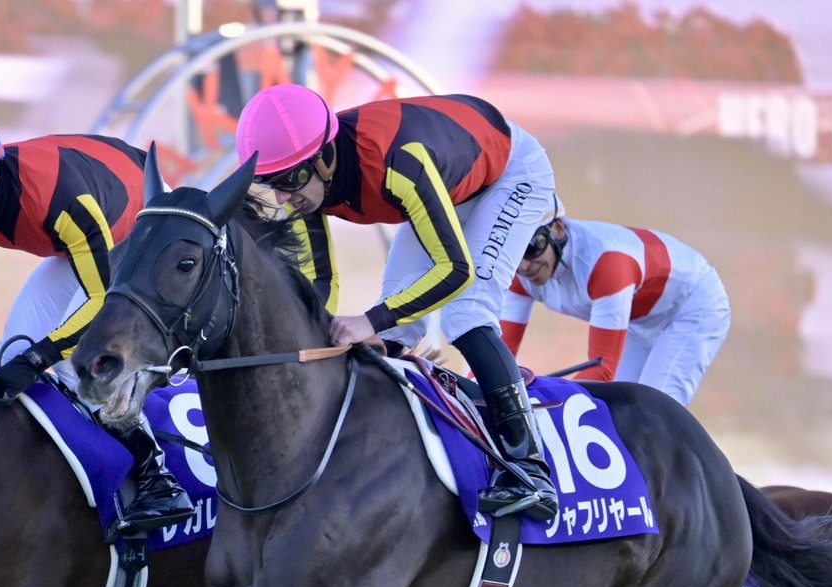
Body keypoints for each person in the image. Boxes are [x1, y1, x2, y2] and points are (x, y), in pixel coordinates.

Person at [234, 84, 559, 521]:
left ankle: (530, 470)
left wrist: (369, 318)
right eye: (268, 183)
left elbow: (456, 271)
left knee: (467, 311)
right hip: (450, 177)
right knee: (392, 330)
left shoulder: (396, 164)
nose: (281, 197)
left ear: (326, 156)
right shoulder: (308, 177)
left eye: (289, 180)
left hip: (508, 175)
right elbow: (318, 280)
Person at [0, 103, 194, 533]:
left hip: (142, 228)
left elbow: (97, 299)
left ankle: (157, 479)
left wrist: (39, 358)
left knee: (78, 366)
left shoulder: (61, 198)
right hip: (90, 238)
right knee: (8, 351)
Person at [501, 198, 731, 406]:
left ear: (559, 229)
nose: (524, 266)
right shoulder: (520, 275)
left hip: (692, 308)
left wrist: (543, 400)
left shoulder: (606, 264)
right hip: (638, 318)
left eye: (532, 247)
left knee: (651, 411)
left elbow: (602, 369)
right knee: (614, 411)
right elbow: (498, 355)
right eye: (515, 252)